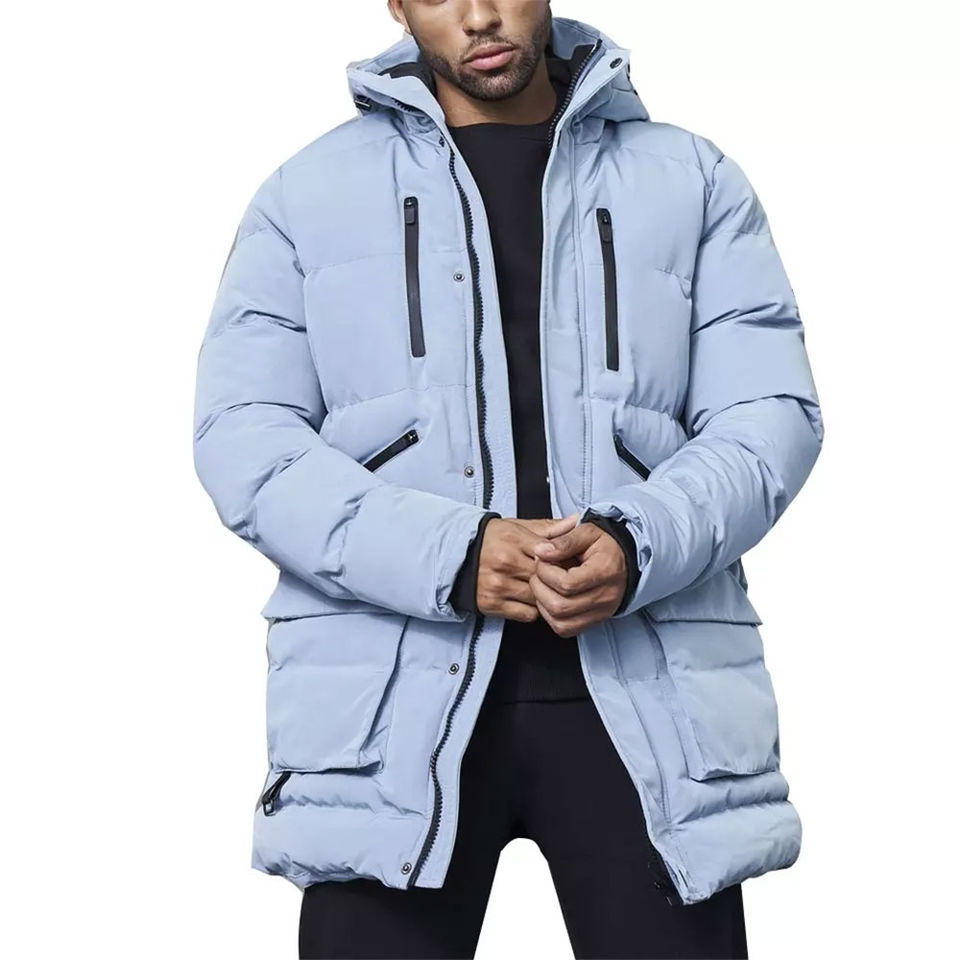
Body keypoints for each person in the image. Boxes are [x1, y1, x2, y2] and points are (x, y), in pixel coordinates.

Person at [193, 2, 823, 957]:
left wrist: (635, 542)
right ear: (397, 5)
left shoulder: (693, 180)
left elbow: (770, 416)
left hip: (652, 697)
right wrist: (450, 556)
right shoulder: (304, 195)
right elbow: (244, 438)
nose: (481, 15)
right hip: (388, 710)